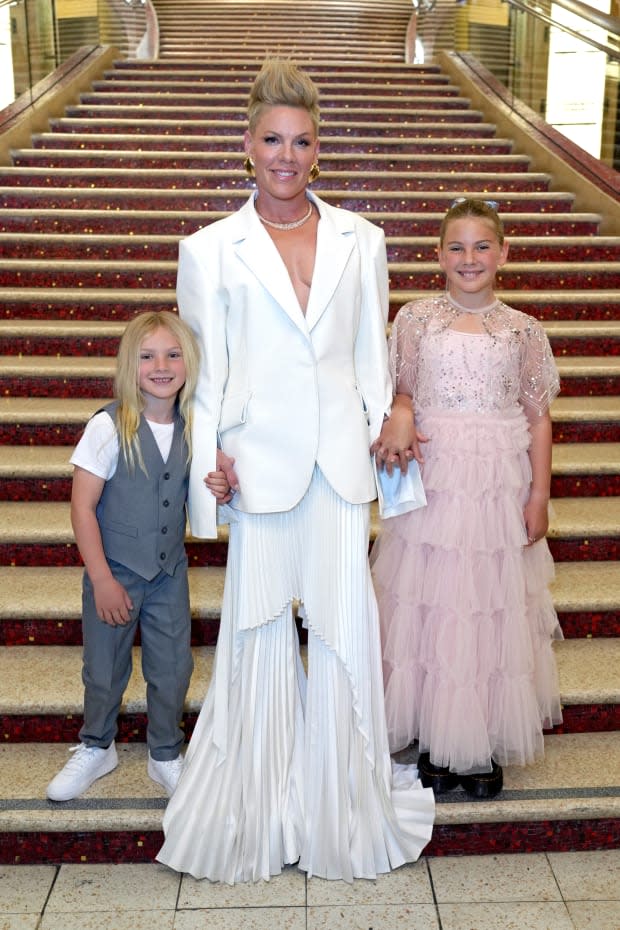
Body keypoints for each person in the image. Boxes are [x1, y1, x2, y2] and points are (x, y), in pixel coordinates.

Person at [156, 58, 435, 884]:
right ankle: (254, 802)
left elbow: (367, 356)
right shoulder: (208, 250)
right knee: (255, 637)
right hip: (257, 467)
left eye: (302, 141)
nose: (286, 155)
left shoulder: (363, 239)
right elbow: (204, 372)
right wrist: (209, 479)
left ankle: (342, 805)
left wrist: (393, 418)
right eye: (272, 140)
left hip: (342, 468)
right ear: (247, 146)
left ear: (319, 150)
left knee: (346, 635)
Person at [370, 197, 564, 798]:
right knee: (431, 604)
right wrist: (401, 412)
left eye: (482, 246)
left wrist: (539, 494)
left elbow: (538, 419)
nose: (469, 258)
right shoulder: (415, 319)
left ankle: (477, 745)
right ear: (437, 255)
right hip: (434, 478)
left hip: (494, 487)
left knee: (486, 607)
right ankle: (434, 734)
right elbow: (399, 390)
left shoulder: (522, 330)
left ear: (504, 253)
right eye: (456, 247)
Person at [46, 310, 231, 802]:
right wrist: (102, 578)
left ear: (188, 363)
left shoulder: (196, 427)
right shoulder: (108, 427)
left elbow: (200, 496)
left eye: (173, 354)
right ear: (130, 365)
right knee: (104, 668)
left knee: (172, 668)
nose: (161, 365)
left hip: (168, 571)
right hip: (116, 569)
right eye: (147, 356)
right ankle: (96, 745)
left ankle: (165, 752)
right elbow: (82, 507)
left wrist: (222, 489)